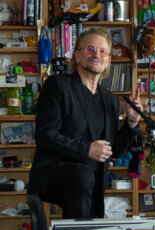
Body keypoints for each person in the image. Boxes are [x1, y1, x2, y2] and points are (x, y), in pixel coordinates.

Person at [28, 27, 143, 219]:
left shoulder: (110, 100)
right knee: (82, 177)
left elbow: (112, 150)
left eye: (103, 51)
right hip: (55, 172)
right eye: (90, 49)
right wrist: (86, 150)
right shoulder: (58, 85)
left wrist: (132, 121)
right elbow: (45, 135)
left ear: (108, 61)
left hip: (91, 180)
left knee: (88, 182)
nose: (97, 54)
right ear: (78, 56)